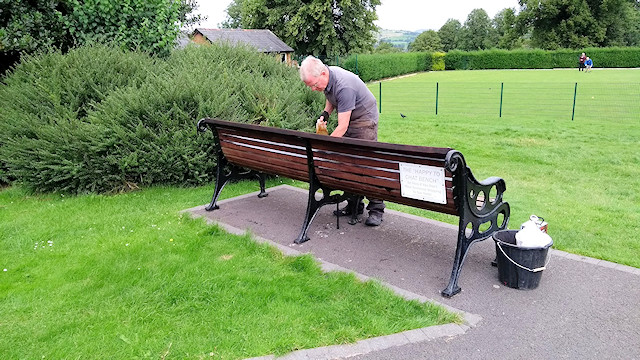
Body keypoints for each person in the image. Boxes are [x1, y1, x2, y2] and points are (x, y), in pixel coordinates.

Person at [299, 55, 385, 226]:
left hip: (364, 121)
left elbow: (342, 126)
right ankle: (354, 205)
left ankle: (376, 209)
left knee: (364, 165)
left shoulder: (344, 86)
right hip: (350, 119)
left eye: (314, 85)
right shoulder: (327, 77)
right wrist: (326, 113)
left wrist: (324, 147)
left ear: (323, 74)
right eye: (310, 86)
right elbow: (331, 96)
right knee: (346, 163)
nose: (313, 89)